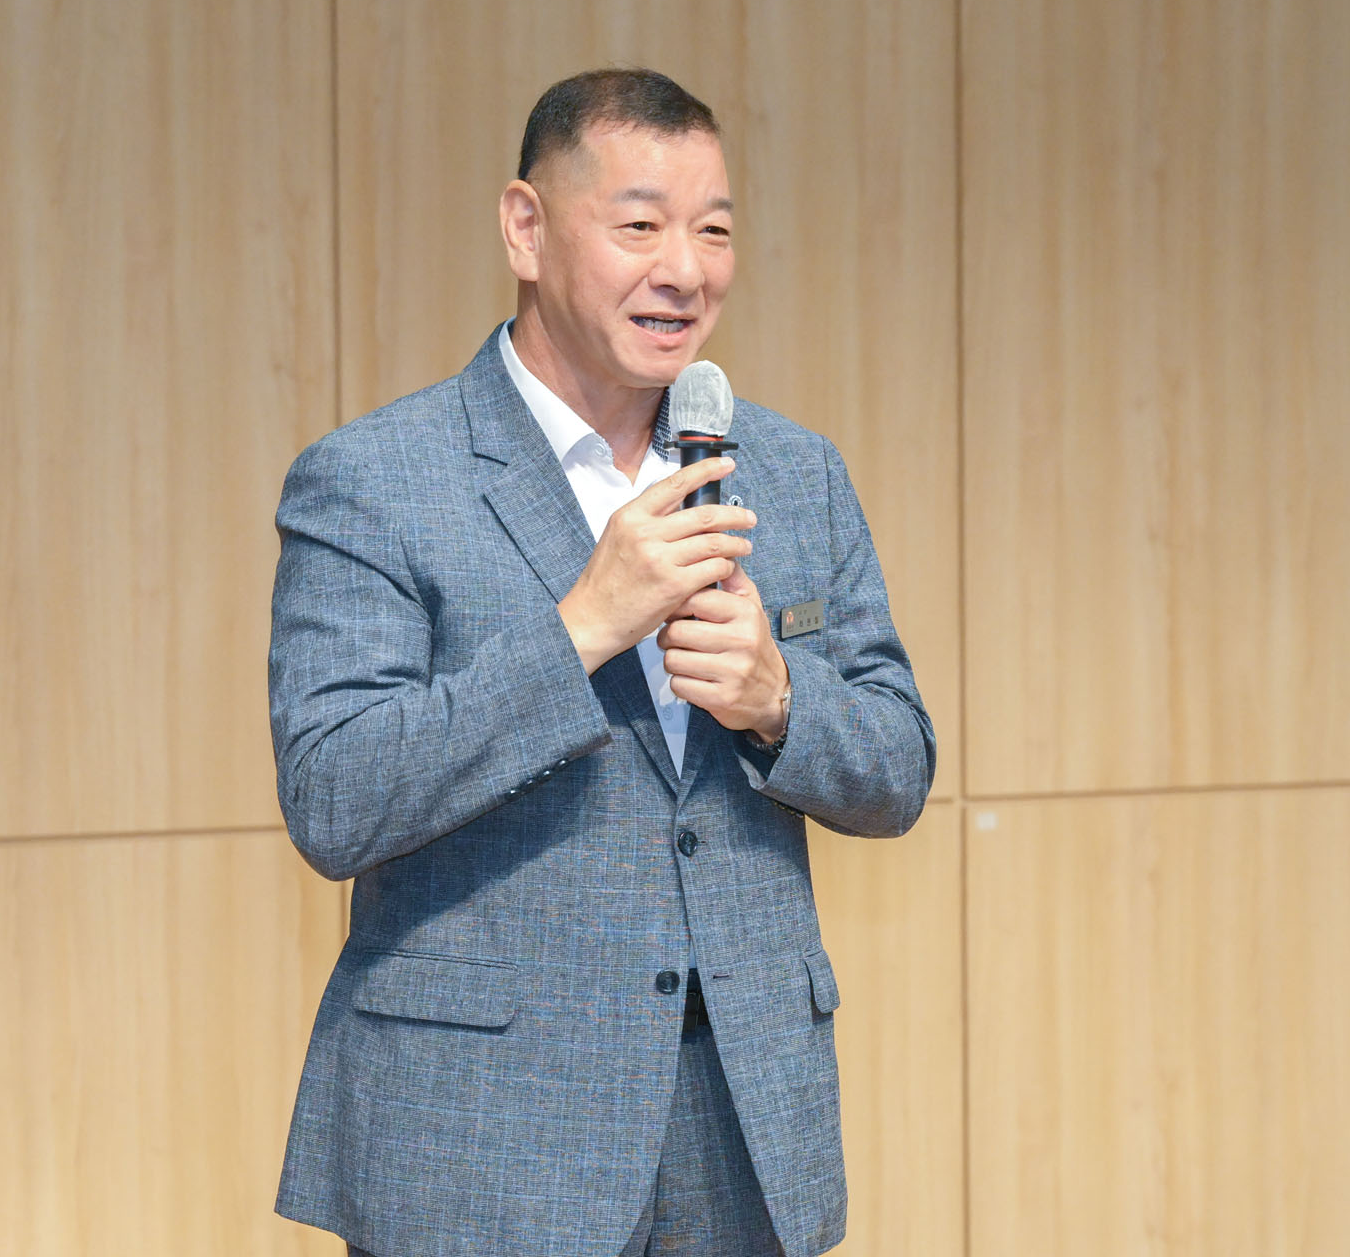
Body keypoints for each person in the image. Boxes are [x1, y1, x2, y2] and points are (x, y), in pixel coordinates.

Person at [268, 67, 934, 1257]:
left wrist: (780, 700)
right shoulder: (376, 479)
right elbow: (335, 795)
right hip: (481, 1145)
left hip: (741, 1135)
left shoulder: (793, 472)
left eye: (713, 230)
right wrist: (579, 629)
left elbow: (898, 765)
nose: (685, 268)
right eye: (639, 225)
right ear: (526, 228)